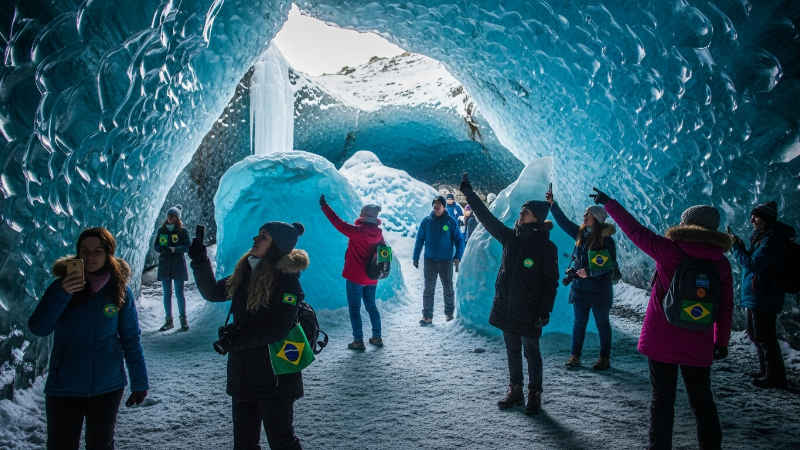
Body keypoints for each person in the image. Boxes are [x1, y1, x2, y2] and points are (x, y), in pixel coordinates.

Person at [593, 188, 733, 450]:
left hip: (662, 339)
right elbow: (726, 307)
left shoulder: (669, 250)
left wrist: (609, 203)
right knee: (702, 402)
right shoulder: (721, 263)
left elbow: (634, 230)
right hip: (698, 343)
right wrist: (721, 342)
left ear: (688, 225)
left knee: (662, 399)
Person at [188, 221, 307, 450]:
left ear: (276, 246)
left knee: (282, 441)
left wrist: (236, 340)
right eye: (259, 233)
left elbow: (278, 328)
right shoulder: (246, 272)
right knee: (244, 443)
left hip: (276, 376)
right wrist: (200, 260)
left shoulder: (287, 281)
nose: (255, 239)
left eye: (264, 236)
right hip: (243, 373)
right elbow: (213, 292)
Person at [28, 227, 149, 449]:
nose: (90, 256)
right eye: (85, 250)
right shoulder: (61, 287)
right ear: (78, 253)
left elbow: (130, 338)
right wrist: (62, 293)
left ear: (108, 253)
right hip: (65, 386)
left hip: (108, 385)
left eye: (98, 251)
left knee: (100, 444)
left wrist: (139, 381)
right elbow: (39, 328)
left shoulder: (119, 290)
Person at [458, 174, 558, 415]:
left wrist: (545, 310)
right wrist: (469, 194)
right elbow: (487, 219)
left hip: (530, 309)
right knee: (512, 351)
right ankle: (516, 391)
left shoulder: (546, 247)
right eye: (522, 209)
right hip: (507, 305)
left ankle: (534, 394)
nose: (521, 213)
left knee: (531, 352)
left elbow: (550, 283)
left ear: (537, 217)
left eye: (526, 211)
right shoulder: (511, 237)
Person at [547, 192, 617, 370]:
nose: (584, 216)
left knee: (602, 324)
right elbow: (563, 222)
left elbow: (609, 265)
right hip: (580, 289)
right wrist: (552, 204)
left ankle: (604, 358)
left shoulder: (607, 240)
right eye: (585, 213)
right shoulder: (580, 235)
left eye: (588, 214)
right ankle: (575, 356)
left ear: (597, 218)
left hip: (600, 290)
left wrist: (589, 272)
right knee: (579, 323)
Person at [731, 200, 796, 388]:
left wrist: (737, 248)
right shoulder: (763, 237)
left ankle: (775, 377)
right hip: (757, 295)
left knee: (765, 338)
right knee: (756, 335)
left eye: (756, 217)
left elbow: (753, 264)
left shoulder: (772, 241)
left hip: (765, 296)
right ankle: (767, 371)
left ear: (766, 219)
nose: (751, 220)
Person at [320, 194, 384, 350]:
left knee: (355, 309)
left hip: (355, 278)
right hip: (372, 278)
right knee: (371, 307)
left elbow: (338, 223)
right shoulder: (378, 234)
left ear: (364, 215)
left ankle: (358, 341)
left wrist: (325, 206)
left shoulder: (357, 232)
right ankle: (377, 337)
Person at [413, 195, 464, 324]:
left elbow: (459, 240)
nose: (436, 206)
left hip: (445, 261)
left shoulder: (450, 222)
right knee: (428, 289)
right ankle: (427, 316)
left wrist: (458, 256)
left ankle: (449, 314)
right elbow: (420, 239)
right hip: (429, 260)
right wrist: (416, 256)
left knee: (448, 289)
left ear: (443, 206)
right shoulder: (426, 221)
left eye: (438, 204)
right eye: (434, 203)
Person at [154, 205, 191, 331]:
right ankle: (169, 321)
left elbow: (187, 246)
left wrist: (175, 249)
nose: (169, 217)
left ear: (177, 218)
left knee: (180, 293)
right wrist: (161, 249)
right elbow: (156, 246)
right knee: (167, 294)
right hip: (165, 265)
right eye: (168, 215)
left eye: (172, 215)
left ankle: (183, 320)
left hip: (178, 265)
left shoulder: (182, 231)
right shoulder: (161, 230)